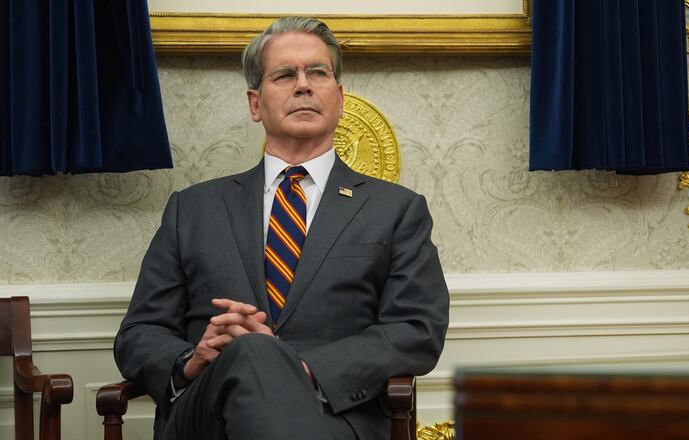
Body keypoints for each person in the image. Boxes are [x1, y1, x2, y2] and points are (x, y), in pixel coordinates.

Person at [114, 16, 449, 440]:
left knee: (257, 352)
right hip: (208, 416)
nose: (304, 85)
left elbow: (416, 329)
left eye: (318, 72)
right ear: (255, 104)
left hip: (335, 416)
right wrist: (191, 358)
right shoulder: (192, 209)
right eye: (285, 74)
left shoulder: (397, 209)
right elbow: (138, 334)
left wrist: (297, 367)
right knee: (250, 352)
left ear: (340, 97)